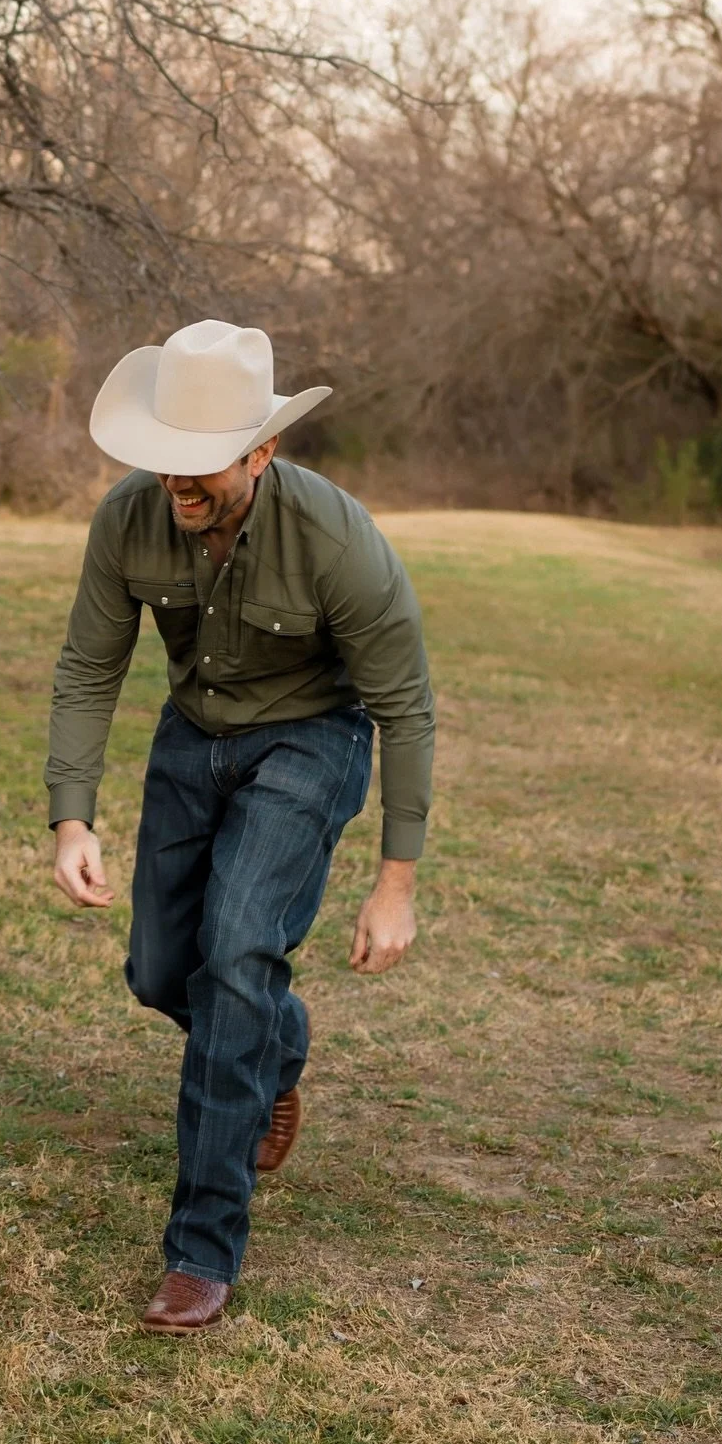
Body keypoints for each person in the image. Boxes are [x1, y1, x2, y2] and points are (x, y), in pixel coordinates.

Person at [46, 320, 435, 1334]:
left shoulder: (337, 539)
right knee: (157, 970)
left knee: (233, 957)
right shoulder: (129, 518)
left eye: (201, 460)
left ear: (262, 451)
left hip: (312, 737)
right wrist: (72, 816)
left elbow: (406, 706)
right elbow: (89, 665)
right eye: (164, 453)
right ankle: (275, 1040)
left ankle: (201, 1248)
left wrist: (395, 881)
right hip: (195, 733)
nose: (176, 479)